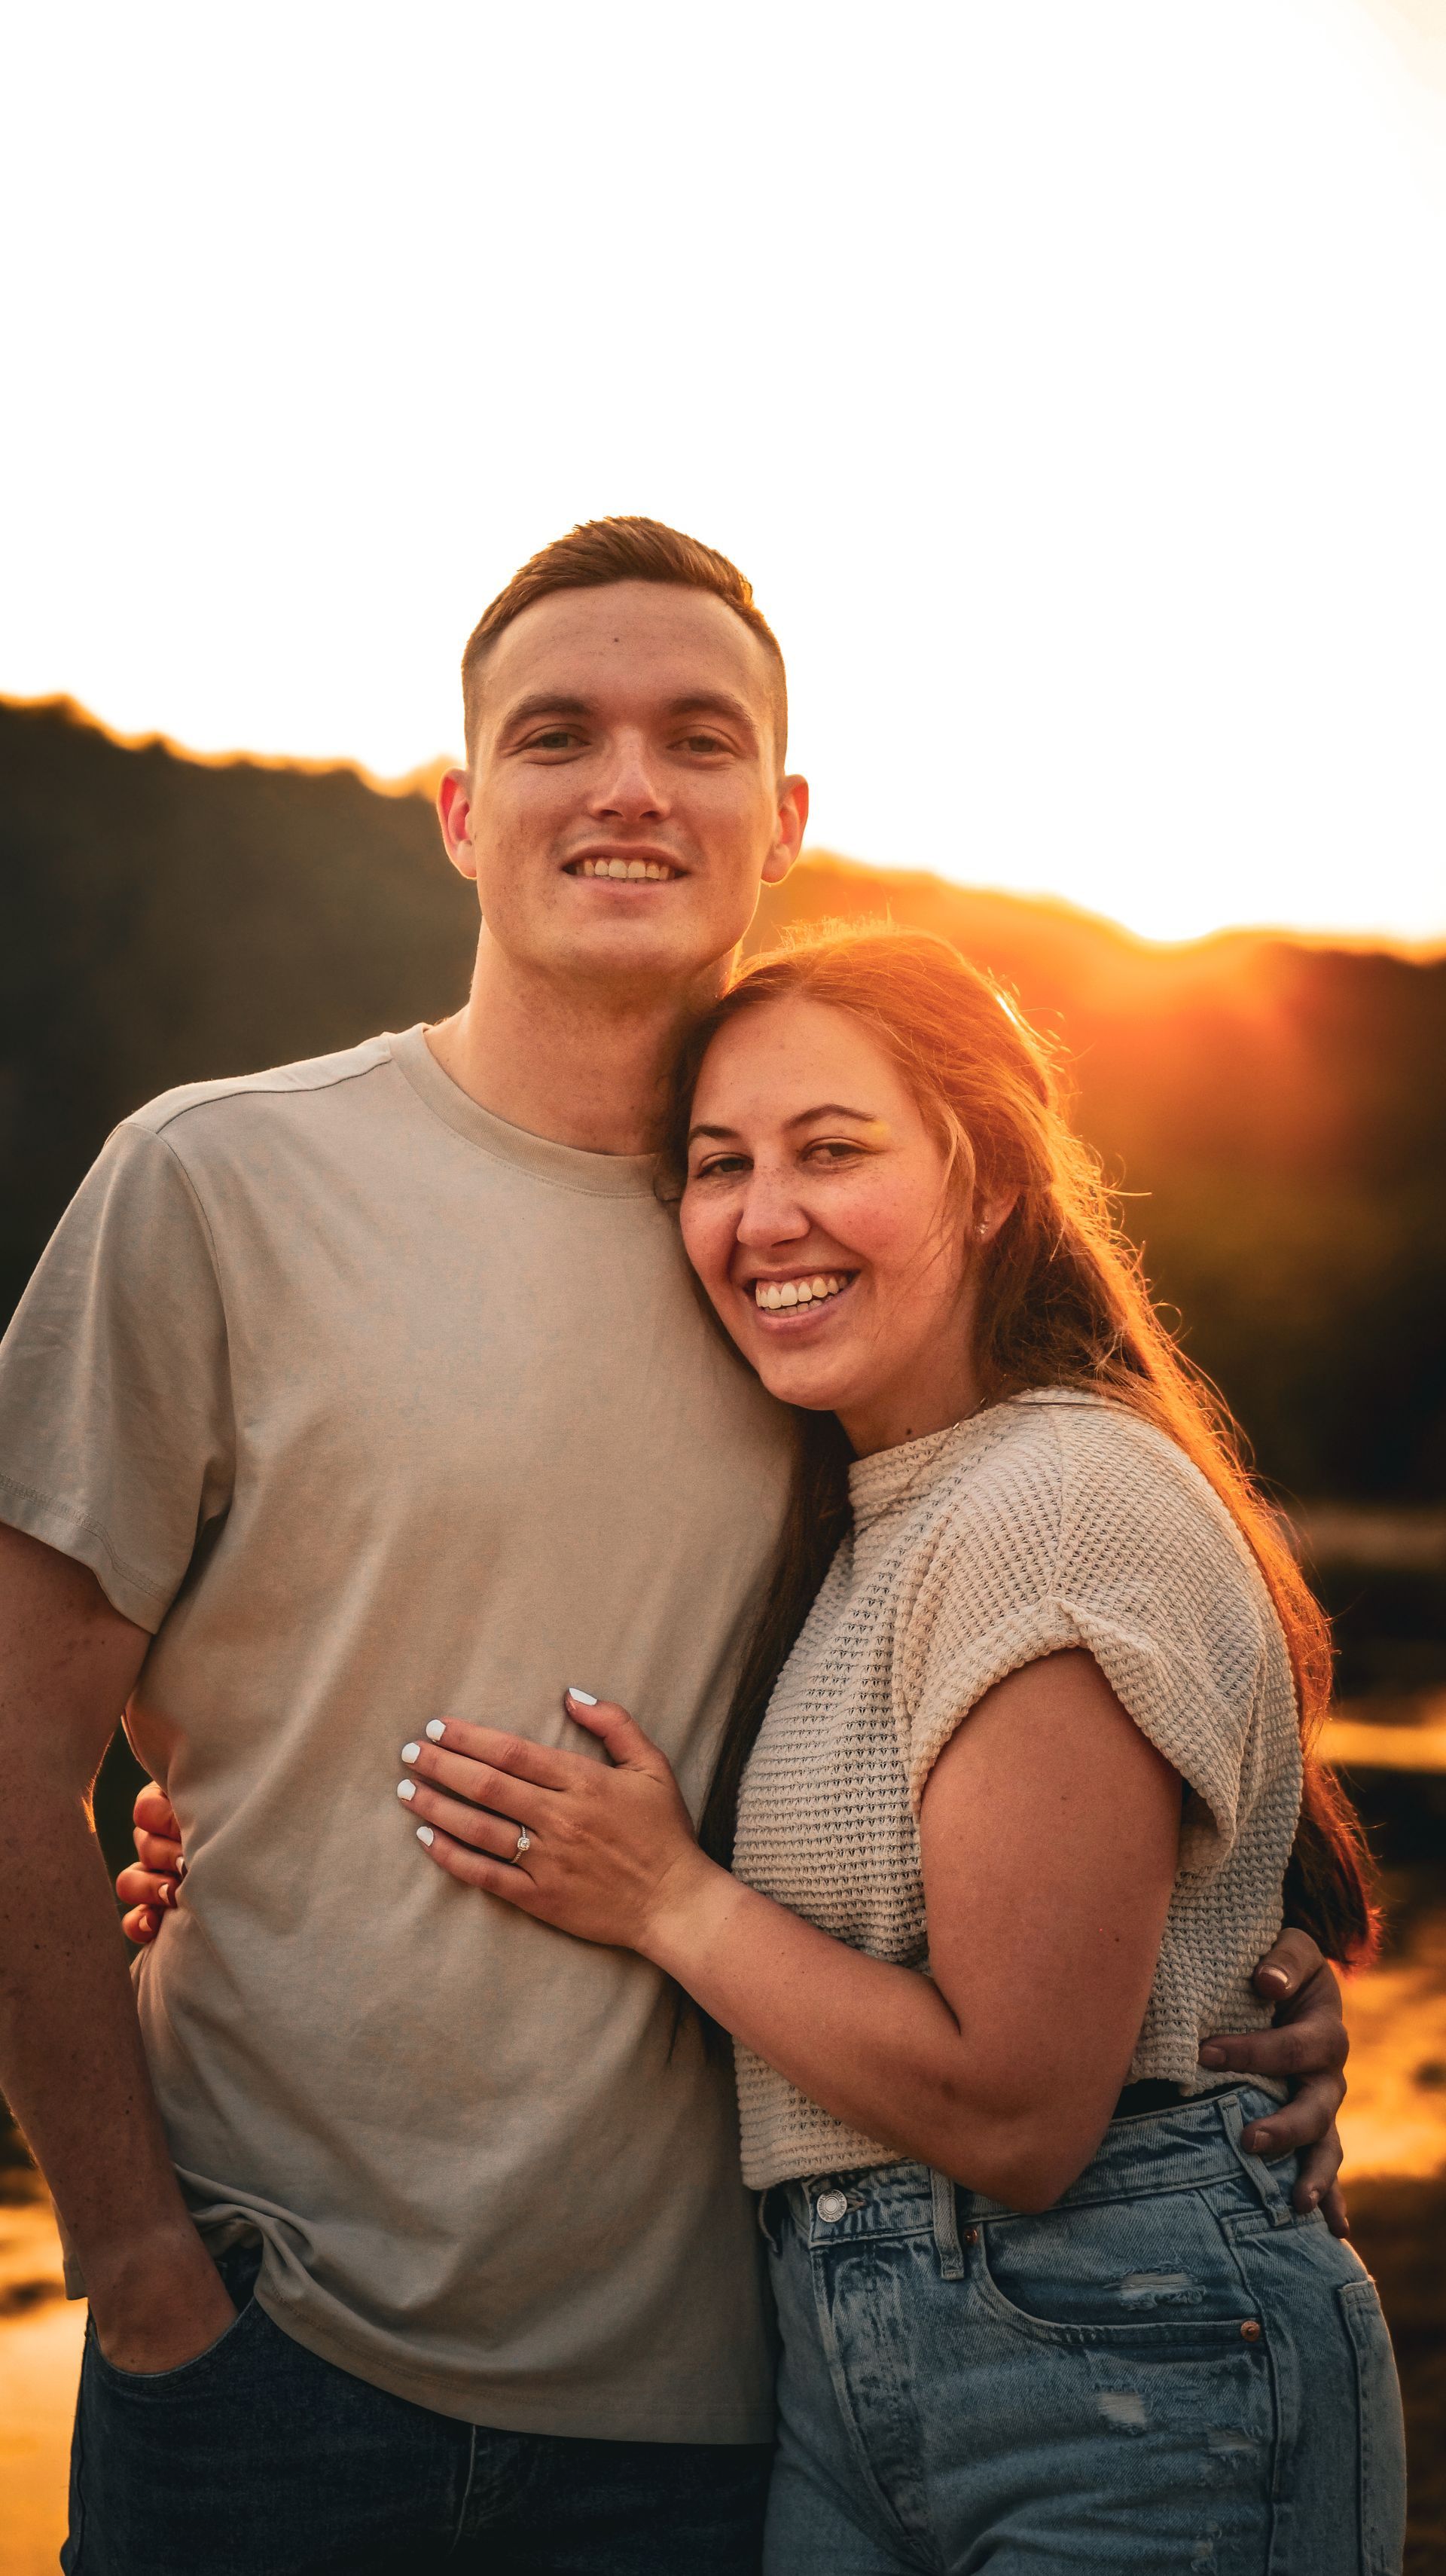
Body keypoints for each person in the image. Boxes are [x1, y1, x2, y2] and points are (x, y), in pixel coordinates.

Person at [0, 520, 1353, 2576]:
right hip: (268, 2375)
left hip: (727, 2414)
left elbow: (1006, 1712)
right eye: (560, 735)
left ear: (781, 815)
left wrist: (1212, 1997)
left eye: (697, 738)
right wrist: (141, 2272)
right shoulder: (216, 1186)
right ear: (461, 811)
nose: (630, 785)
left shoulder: (824, 1291)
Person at [353, 928, 1405, 2573]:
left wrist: (664, 1898)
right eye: (720, 1168)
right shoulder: (861, 1520)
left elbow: (1020, 2111)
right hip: (855, 2364)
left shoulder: (1050, 1500)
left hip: (1120, 2362)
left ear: (989, 1180)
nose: (765, 1216)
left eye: (831, 1150)